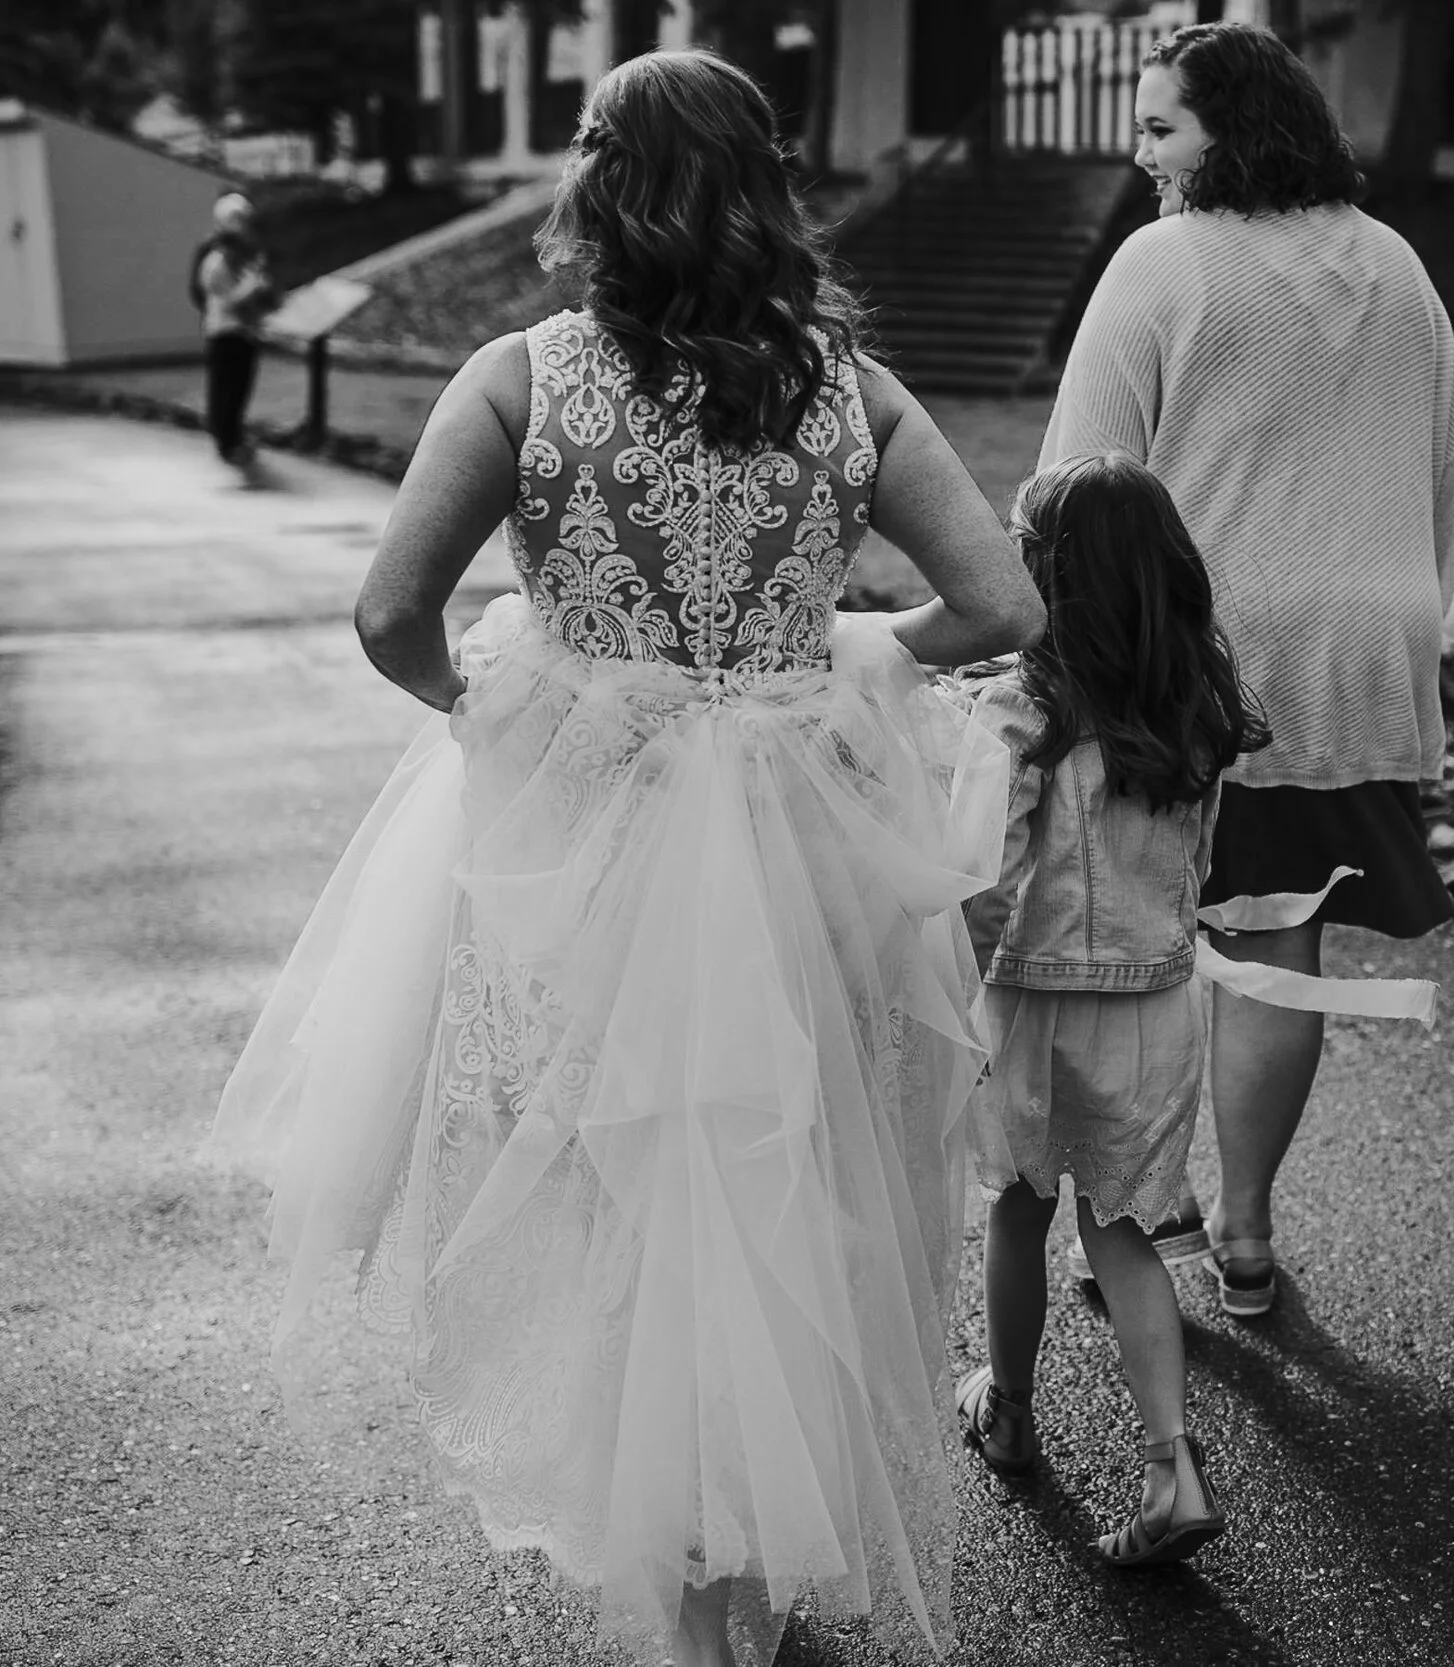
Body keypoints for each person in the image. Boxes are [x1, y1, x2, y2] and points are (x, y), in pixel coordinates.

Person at [205, 50, 1043, 1667]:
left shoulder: (523, 379)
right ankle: (753, 1562)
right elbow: (1004, 606)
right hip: (800, 856)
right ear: (762, 188)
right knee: (781, 1179)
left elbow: (391, 614)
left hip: (585, 854)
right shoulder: (847, 388)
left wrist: (509, 703)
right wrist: (860, 652)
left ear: (602, 187)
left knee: (613, 1190)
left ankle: (667, 1581)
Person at [1041, 21, 1454, 1318]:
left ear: (1230, 131)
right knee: (1281, 940)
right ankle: (1247, 1228)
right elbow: (1440, 470)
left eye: (1162, 126)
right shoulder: (1397, 263)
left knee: (1150, 938)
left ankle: (1146, 1210)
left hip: (1198, 650)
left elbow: (1076, 484)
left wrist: (1057, 658)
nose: (1141, 150)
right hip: (1354, 650)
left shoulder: (1163, 263)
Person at [948, 454, 1266, 1567]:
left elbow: (985, 876)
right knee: (1124, 1230)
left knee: (1019, 1210)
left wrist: (950, 993)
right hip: (1154, 1004)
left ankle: (1011, 1408)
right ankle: (1169, 1460)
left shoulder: (1021, 708)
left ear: (1046, 578)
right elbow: (1202, 863)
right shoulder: (1195, 708)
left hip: (1031, 1005)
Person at [193, 193, 275, 465]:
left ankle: (235, 437)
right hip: (225, 331)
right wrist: (253, 286)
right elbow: (221, 296)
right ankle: (226, 441)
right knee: (225, 390)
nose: (244, 224)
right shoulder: (216, 257)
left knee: (240, 389)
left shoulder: (246, 253)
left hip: (245, 331)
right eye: (238, 219)